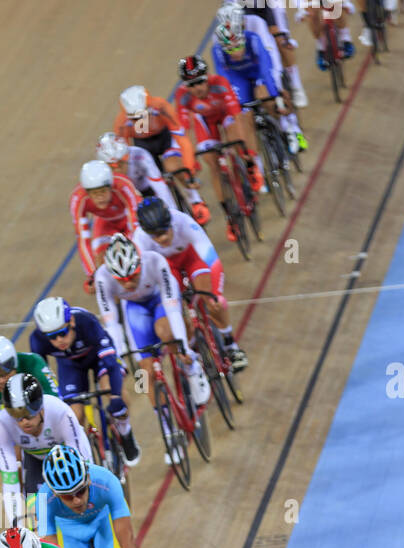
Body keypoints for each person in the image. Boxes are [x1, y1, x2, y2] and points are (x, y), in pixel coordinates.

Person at [94, 233, 211, 447]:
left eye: (133, 276)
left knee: (165, 331)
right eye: (122, 280)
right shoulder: (103, 278)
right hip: (135, 309)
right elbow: (112, 325)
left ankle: (192, 366)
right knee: (145, 372)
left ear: (139, 264)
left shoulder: (155, 262)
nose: (128, 283)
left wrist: (182, 344)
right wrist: (117, 361)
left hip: (160, 301)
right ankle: (169, 432)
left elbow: (172, 307)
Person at [134, 196, 247, 372]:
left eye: (165, 231)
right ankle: (193, 347)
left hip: (192, 258)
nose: (163, 238)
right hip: (167, 269)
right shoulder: (140, 240)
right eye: (156, 235)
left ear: (170, 222)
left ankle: (230, 344)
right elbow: (147, 278)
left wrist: (213, 294)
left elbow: (210, 258)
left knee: (213, 301)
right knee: (175, 314)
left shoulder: (184, 222)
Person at [30, 295, 141, 463]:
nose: (59, 340)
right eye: (52, 337)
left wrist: (116, 397)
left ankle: (126, 432)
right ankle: (80, 459)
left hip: (99, 358)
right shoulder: (38, 340)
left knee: (111, 388)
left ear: (71, 322)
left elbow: (111, 365)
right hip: (70, 366)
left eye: (62, 333)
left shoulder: (87, 323)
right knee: (73, 415)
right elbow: (41, 378)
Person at [175, 54, 264, 231]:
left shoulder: (220, 83)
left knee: (237, 137)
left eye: (200, 82)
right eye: (191, 85)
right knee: (214, 167)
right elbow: (185, 133)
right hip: (205, 123)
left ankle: (249, 165)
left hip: (226, 115)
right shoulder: (183, 97)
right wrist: (191, 164)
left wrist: (243, 148)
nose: (197, 88)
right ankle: (230, 217)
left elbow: (237, 116)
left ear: (207, 77)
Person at [0, 372, 92, 525]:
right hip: (35, 460)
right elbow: (10, 482)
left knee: (81, 508)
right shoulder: (1, 423)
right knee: (37, 520)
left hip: (68, 457)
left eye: (28, 414)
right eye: (17, 416)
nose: (24, 421)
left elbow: (85, 465)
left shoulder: (60, 412)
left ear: (41, 408)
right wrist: (16, 528)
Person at [0, 335, 57, 500]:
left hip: (40, 409)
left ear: (15, 363)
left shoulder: (33, 363)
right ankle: (26, 500)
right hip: (8, 412)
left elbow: (57, 408)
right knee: (15, 462)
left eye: (4, 372)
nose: (0, 380)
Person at [216, 0, 306, 156]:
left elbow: (268, 58)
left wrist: (276, 89)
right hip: (239, 74)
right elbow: (222, 72)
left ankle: (291, 128)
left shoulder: (256, 24)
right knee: (244, 115)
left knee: (268, 96)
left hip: (261, 66)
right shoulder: (218, 37)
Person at [113, 84, 210, 225]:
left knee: (173, 167)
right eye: (134, 119)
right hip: (144, 146)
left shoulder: (161, 107)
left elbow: (183, 141)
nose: (139, 121)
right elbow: (123, 159)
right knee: (150, 181)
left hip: (166, 138)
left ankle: (196, 201)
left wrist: (189, 171)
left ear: (149, 106)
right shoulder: (121, 123)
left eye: (142, 115)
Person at [222, 0, 308, 107]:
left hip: (268, 5)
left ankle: (296, 85)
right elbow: (233, 16)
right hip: (246, 12)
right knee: (253, 43)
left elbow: (277, 5)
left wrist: (281, 32)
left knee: (280, 40)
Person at [69, 158, 140, 290]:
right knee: (102, 261)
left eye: (102, 191)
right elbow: (83, 240)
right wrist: (92, 274)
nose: (100, 197)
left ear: (110, 186)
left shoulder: (122, 185)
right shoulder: (78, 198)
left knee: (137, 255)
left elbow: (135, 226)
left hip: (129, 219)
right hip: (106, 224)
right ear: (87, 193)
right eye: (94, 193)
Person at [94, 130, 177, 214]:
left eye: (121, 162)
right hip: (120, 195)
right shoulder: (99, 170)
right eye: (112, 166)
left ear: (127, 155)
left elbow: (160, 187)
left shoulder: (140, 155)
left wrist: (172, 213)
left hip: (145, 190)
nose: (118, 169)